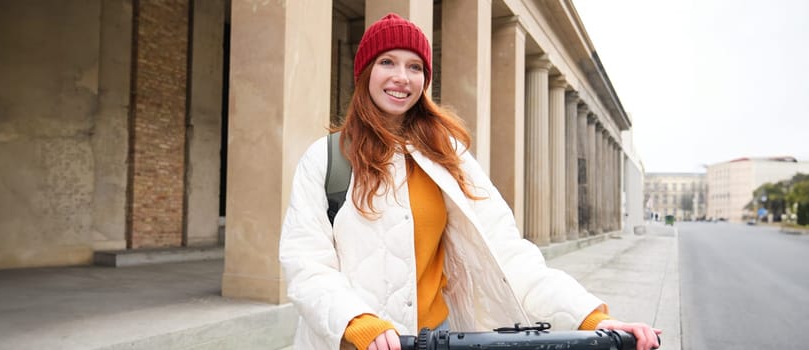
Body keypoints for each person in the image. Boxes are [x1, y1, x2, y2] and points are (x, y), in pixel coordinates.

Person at [279, 13, 662, 350]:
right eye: (387, 62)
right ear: (365, 72)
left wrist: (589, 318)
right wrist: (357, 322)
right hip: (352, 344)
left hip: (436, 338)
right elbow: (306, 264)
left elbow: (507, 253)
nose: (401, 77)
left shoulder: (447, 156)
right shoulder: (325, 158)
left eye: (415, 67)